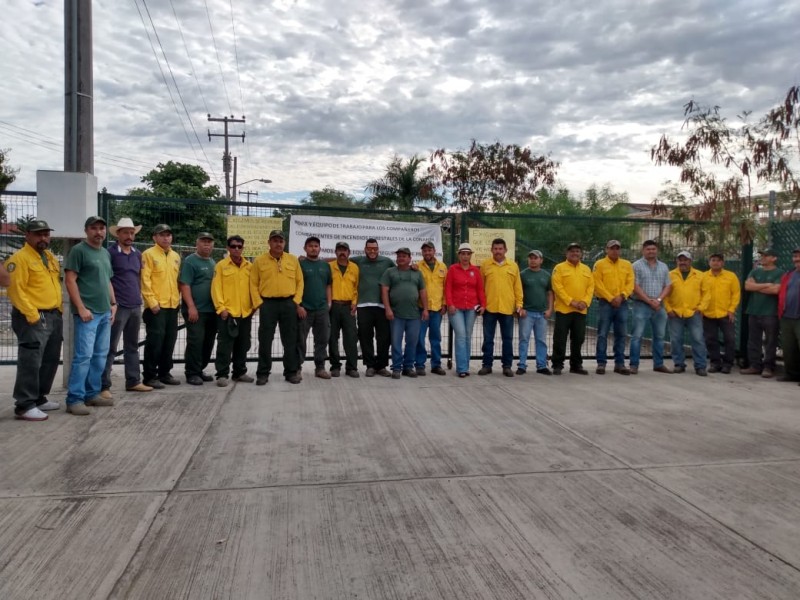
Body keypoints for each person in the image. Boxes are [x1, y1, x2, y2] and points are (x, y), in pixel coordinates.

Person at [5, 220, 63, 421]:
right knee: (31, 360)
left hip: (53, 314)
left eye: (46, 234)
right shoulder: (19, 259)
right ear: (27, 235)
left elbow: (54, 283)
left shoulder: (48, 256)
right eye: (39, 234)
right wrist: (32, 314)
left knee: (50, 358)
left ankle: (39, 398)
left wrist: (59, 310)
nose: (43, 238)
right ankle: (24, 404)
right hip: (33, 316)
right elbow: (14, 290)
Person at [63, 216, 117, 416]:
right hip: (87, 314)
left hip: (104, 312)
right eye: (94, 228)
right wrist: (81, 308)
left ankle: (92, 394)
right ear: (86, 231)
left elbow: (108, 280)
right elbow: (70, 281)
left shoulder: (104, 253)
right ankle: (74, 398)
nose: (98, 232)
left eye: (101, 228)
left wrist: (113, 303)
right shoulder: (78, 251)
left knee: (99, 355)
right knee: (83, 356)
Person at [101, 218, 152, 399]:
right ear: (118, 234)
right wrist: (112, 303)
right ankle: (103, 385)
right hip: (118, 307)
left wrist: (140, 298)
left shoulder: (137, 254)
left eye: (132, 233)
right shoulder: (110, 254)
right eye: (126, 232)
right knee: (110, 347)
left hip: (135, 306)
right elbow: (106, 279)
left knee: (132, 346)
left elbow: (138, 277)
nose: (129, 236)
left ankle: (133, 381)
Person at [250, 229, 303, 385]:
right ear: (269, 243)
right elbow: (253, 284)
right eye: (275, 240)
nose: (278, 243)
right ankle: (263, 373)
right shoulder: (259, 261)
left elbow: (300, 282)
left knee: (290, 340)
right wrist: (259, 303)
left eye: (280, 241)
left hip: (289, 303)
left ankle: (291, 372)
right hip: (268, 304)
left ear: (284, 243)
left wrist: (296, 301)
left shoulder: (293, 260)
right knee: (265, 340)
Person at [141, 223, 182, 388]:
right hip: (156, 308)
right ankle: (150, 376)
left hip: (172, 305)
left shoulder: (175, 256)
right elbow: (145, 280)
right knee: (154, 343)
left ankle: (165, 373)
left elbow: (176, 281)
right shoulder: (148, 255)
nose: (166, 238)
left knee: (169, 341)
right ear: (155, 237)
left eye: (168, 235)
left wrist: (178, 301)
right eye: (162, 235)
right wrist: (152, 302)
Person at [211, 235, 255, 386]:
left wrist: (253, 306)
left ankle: (239, 372)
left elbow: (253, 288)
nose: (236, 249)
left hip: (245, 313)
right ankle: (222, 374)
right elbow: (216, 289)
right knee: (225, 345)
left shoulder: (249, 266)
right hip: (227, 313)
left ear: (243, 248)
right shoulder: (221, 266)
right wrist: (221, 308)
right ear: (228, 248)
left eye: (239, 246)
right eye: (233, 246)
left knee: (243, 344)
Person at [380, 247, 428, 379]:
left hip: (414, 315)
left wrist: (425, 308)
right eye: (399, 256)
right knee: (396, 342)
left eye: (404, 256)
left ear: (410, 258)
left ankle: (408, 367)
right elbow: (384, 290)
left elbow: (422, 292)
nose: (401, 258)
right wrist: (388, 309)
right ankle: (396, 368)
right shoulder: (390, 272)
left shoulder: (417, 273)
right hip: (396, 314)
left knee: (412, 342)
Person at [479, 238, 523, 377]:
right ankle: (487, 365)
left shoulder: (513, 266)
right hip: (489, 308)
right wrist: (481, 305)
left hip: (507, 308)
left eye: (500, 249)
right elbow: (480, 288)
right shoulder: (485, 265)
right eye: (495, 249)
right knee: (488, 339)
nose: (498, 251)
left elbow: (518, 287)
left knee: (508, 339)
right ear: (491, 250)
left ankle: (507, 366)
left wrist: (519, 305)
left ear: (505, 250)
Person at [352, 238, 394, 377]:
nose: (372, 251)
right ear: (365, 249)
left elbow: (399, 269)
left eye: (374, 249)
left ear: (378, 249)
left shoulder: (387, 261)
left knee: (384, 337)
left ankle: (381, 366)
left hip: (382, 306)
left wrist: (413, 267)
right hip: (363, 306)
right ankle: (370, 366)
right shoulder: (358, 261)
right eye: (369, 248)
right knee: (365, 337)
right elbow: (338, 260)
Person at [179, 232, 218, 385]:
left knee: (208, 342)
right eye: (203, 242)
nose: (207, 245)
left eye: (209, 242)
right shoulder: (190, 261)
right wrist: (191, 307)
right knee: (195, 341)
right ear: (197, 243)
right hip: (196, 311)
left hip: (212, 311)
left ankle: (200, 369)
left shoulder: (213, 262)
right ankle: (192, 373)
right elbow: (184, 285)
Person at [550, 242, 594, 375]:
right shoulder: (559, 268)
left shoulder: (586, 269)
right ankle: (557, 364)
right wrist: (571, 302)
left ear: (581, 254)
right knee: (560, 338)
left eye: (577, 251)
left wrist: (585, 302)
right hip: (564, 310)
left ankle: (576, 365)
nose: (575, 253)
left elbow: (591, 287)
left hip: (581, 310)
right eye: (572, 251)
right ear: (566, 253)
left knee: (579, 338)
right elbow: (557, 287)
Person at [631, 240, 673, 374]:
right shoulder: (636, 266)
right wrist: (650, 301)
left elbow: (668, 285)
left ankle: (658, 364)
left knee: (660, 336)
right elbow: (635, 286)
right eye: (648, 249)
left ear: (657, 251)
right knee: (637, 336)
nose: (651, 251)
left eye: (653, 249)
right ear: (643, 251)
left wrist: (659, 300)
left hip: (659, 306)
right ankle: (634, 365)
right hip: (641, 305)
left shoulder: (664, 266)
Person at [592, 239, 634, 375]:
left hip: (622, 303)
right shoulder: (599, 264)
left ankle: (620, 364)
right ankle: (601, 363)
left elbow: (630, 282)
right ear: (606, 250)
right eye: (612, 248)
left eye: (617, 248)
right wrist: (611, 298)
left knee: (621, 334)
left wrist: (622, 296)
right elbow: (597, 283)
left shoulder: (627, 264)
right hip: (605, 303)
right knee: (602, 334)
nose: (615, 251)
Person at [664, 250, 708, 376]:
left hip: (694, 312)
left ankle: (700, 366)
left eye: (685, 260)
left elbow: (706, 293)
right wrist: (668, 309)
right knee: (676, 340)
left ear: (690, 261)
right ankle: (679, 364)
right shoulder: (670, 275)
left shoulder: (700, 275)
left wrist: (701, 308)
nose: (682, 262)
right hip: (675, 313)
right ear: (677, 261)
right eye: (680, 260)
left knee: (698, 339)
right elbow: (664, 294)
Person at [446, 242, 485, 377]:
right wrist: (450, 304)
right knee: (461, 335)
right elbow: (448, 288)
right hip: (456, 308)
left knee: (468, 336)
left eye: (468, 254)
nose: (465, 257)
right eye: (463, 254)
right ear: (459, 255)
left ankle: (466, 366)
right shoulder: (452, 269)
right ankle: (461, 368)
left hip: (471, 308)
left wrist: (483, 305)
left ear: (471, 256)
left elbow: (480, 289)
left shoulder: (475, 270)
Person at [741, 248, 782, 378]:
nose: (762, 258)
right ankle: (754, 366)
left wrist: (757, 287)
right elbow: (747, 286)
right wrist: (766, 285)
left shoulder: (779, 273)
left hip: (770, 313)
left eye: (766, 256)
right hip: (753, 311)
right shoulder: (755, 271)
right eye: (762, 256)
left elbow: (775, 290)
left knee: (770, 341)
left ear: (774, 258)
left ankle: (768, 367)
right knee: (753, 340)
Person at [298, 236, 335, 378]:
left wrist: (329, 303)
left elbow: (328, 285)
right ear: (305, 248)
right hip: (304, 309)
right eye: (310, 246)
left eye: (316, 246)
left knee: (322, 340)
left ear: (320, 248)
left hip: (322, 309)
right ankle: (297, 368)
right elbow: (296, 286)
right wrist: (299, 305)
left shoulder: (325, 266)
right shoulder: (300, 265)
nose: (313, 248)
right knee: (300, 339)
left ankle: (320, 368)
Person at [700, 253, 741, 374]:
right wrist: (701, 310)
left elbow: (736, 294)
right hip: (708, 314)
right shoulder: (703, 277)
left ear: (723, 263)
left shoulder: (731, 276)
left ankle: (728, 364)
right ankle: (715, 363)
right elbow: (699, 294)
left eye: (718, 261)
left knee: (730, 339)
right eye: (713, 260)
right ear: (709, 262)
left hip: (726, 314)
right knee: (711, 339)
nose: (716, 263)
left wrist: (732, 310)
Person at [517, 250, 553, 375]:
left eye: (536, 258)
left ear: (541, 260)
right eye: (531, 258)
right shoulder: (522, 275)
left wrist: (550, 309)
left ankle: (541, 365)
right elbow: (518, 292)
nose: (533, 260)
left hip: (542, 314)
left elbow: (550, 293)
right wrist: (520, 308)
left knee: (541, 340)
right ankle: (522, 365)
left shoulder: (546, 275)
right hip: (527, 313)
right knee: (524, 339)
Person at [415, 241, 448, 376]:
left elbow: (446, 287)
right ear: (422, 253)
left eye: (430, 250)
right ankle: (420, 364)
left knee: (436, 338)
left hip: (437, 309)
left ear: (434, 251)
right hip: (421, 308)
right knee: (419, 338)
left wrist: (445, 304)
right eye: (425, 251)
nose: (427, 253)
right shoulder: (417, 266)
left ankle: (436, 364)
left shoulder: (442, 267)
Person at [328, 241, 360, 379]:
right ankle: (335, 366)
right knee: (332, 338)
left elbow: (356, 288)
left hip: (348, 308)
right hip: (333, 307)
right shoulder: (329, 267)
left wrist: (354, 303)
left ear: (349, 253)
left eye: (344, 250)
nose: (342, 253)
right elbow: (326, 286)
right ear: (335, 252)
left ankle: (351, 367)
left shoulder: (354, 268)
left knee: (351, 338)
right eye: (339, 250)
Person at [778, 248, 800, 383]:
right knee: (788, 347)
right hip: (787, 316)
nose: (797, 259)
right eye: (795, 256)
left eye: (799, 256)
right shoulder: (789, 274)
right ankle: (791, 374)